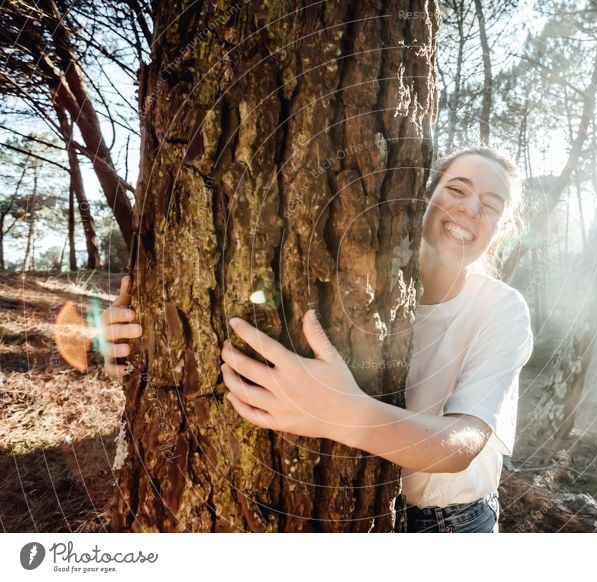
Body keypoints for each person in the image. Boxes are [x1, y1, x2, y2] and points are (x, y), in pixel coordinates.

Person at [101, 146, 534, 533]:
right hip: (367, 514)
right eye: (457, 189)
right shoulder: (366, 277)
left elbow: (461, 446)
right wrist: (145, 339)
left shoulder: (501, 309)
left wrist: (343, 414)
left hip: (451, 522)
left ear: (498, 236)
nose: (472, 207)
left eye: (491, 206)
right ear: (424, 197)